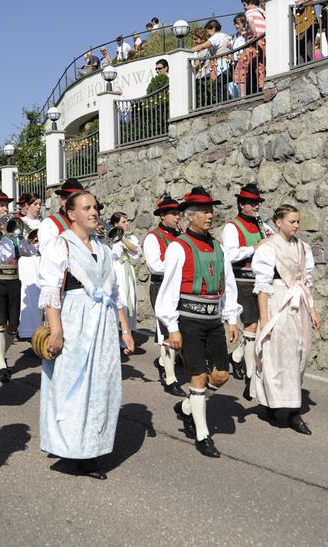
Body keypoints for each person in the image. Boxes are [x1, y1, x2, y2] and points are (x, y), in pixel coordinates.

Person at [38, 190, 134, 479]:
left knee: (100, 384)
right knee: (71, 384)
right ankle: (73, 447)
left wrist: (125, 330)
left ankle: (91, 446)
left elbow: (113, 292)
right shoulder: (61, 245)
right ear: (71, 214)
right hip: (75, 319)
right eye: (87, 208)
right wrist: (56, 330)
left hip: (103, 322)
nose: (94, 212)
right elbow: (51, 290)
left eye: (96, 207)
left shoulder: (104, 248)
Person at [156, 187, 240, 458]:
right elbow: (167, 289)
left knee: (221, 375)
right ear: (189, 216)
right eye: (203, 211)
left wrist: (232, 317)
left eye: (211, 211)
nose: (209, 215)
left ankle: (187, 408)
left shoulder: (218, 247)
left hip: (214, 319)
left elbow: (228, 284)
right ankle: (203, 435)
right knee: (198, 376)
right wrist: (172, 327)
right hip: (189, 319)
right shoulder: (178, 248)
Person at [252, 204, 320, 435]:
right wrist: (265, 321)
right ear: (278, 222)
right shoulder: (268, 248)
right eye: (292, 221)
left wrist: (312, 311)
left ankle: (284, 403)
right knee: (278, 355)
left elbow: (306, 281)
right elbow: (262, 287)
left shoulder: (303, 247)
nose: (297, 225)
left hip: (298, 304)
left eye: (298, 221)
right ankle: (287, 409)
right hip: (278, 302)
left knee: (300, 353)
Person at [221, 184, 274, 400]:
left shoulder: (263, 224)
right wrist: (255, 247)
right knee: (252, 325)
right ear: (241, 205)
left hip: (262, 282)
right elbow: (230, 255)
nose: (256, 206)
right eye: (252, 203)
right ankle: (251, 377)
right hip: (242, 280)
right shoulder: (232, 227)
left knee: (263, 325)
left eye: (257, 202)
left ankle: (238, 354)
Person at [0, 189, 35, 382]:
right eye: (0, 205)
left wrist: (21, 235)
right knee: (0, 322)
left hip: (14, 281)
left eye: (6, 205)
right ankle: (0, 362)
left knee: (13, 326)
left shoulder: (13, 233)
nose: (4, 209)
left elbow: (31, 251)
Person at [142, 195, 185, 396]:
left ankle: (163, 362)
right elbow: (155, 265)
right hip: (161, 287)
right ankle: (170, 378)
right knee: (167, 331)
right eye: (174, 214)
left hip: (180, 287)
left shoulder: (181, 236)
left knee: (180, 329)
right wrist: (179, 266)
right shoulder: (153, 237)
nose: (178, 218)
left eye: (179, 214)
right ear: (162, 216)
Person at [109, 212, 141, 334]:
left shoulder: (131, 238)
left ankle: (128, 329)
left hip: (127, 271)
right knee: (120, 296)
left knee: (130, 298)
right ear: (115, 224)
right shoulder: (110, 238)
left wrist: (122, 237)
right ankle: (117, 328)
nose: (126, 224)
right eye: (123, 222)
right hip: (117, 270)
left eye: (127, 221)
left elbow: (136, 252)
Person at [18, 194, 44, 340]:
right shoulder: (20, 222)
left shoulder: (42, 222)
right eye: (35, 204)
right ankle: (30, 333)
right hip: (28, 262)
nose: (38, 207)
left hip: (41, 261)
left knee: (42, 296)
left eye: (40, 204)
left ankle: (42, 334)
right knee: (30, 296)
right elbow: (20, 246)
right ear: (27, 205)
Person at [36, 178, 84, 251]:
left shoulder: (84, 222)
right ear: (62, 200)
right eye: (74, 199)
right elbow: (48, 255)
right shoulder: (49, 223)